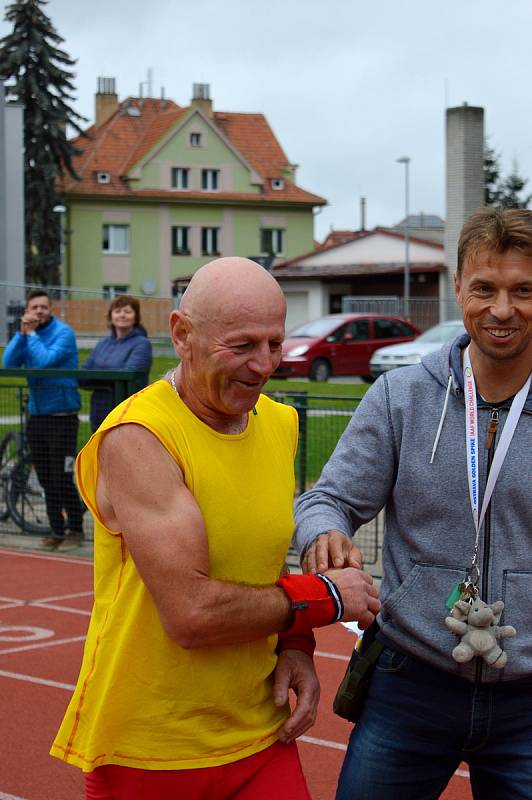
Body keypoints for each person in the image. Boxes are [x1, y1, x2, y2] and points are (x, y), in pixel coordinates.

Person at [50, 257, 380, 800]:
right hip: (151, 746)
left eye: (275, 343)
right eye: (243, 345)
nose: (264, 363)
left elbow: (263, 557)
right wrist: (324, 598)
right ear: (182, 335)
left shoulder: (278, 422)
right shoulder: (138, 436)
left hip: (257, 728)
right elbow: (192, 613)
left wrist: (296, 645)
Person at [294, 207, 532, 800]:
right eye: (485, 288)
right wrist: (323, 533)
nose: (503, 309)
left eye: (524, 290)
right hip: (412, 678)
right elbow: (327, 498)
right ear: (458, 290)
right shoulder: (402, 397)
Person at [2, 289, 84, 550]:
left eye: (43, 307)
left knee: (62, 475)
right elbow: (8, 363)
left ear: (51, 309)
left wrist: (33, 335)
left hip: (63, 416)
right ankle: (55, 530)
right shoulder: (28, 335)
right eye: (34, 307)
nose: (39, 311)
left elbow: (45, 361)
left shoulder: (63, 333)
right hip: (38, 416)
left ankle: (76, 529)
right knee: (46, 478)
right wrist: (20, 334)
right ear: (28, 310)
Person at [81, 294, 152, 432]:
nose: (122, 315)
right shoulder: (102, 344)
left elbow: (128, 376)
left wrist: (95, 376)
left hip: (126, 414)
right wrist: (111, 375)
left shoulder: (142, 344)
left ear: (135, 317)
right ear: (111, 316)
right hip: (98, 412)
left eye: (127, 311)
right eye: (118, 311)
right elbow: (82, 376)